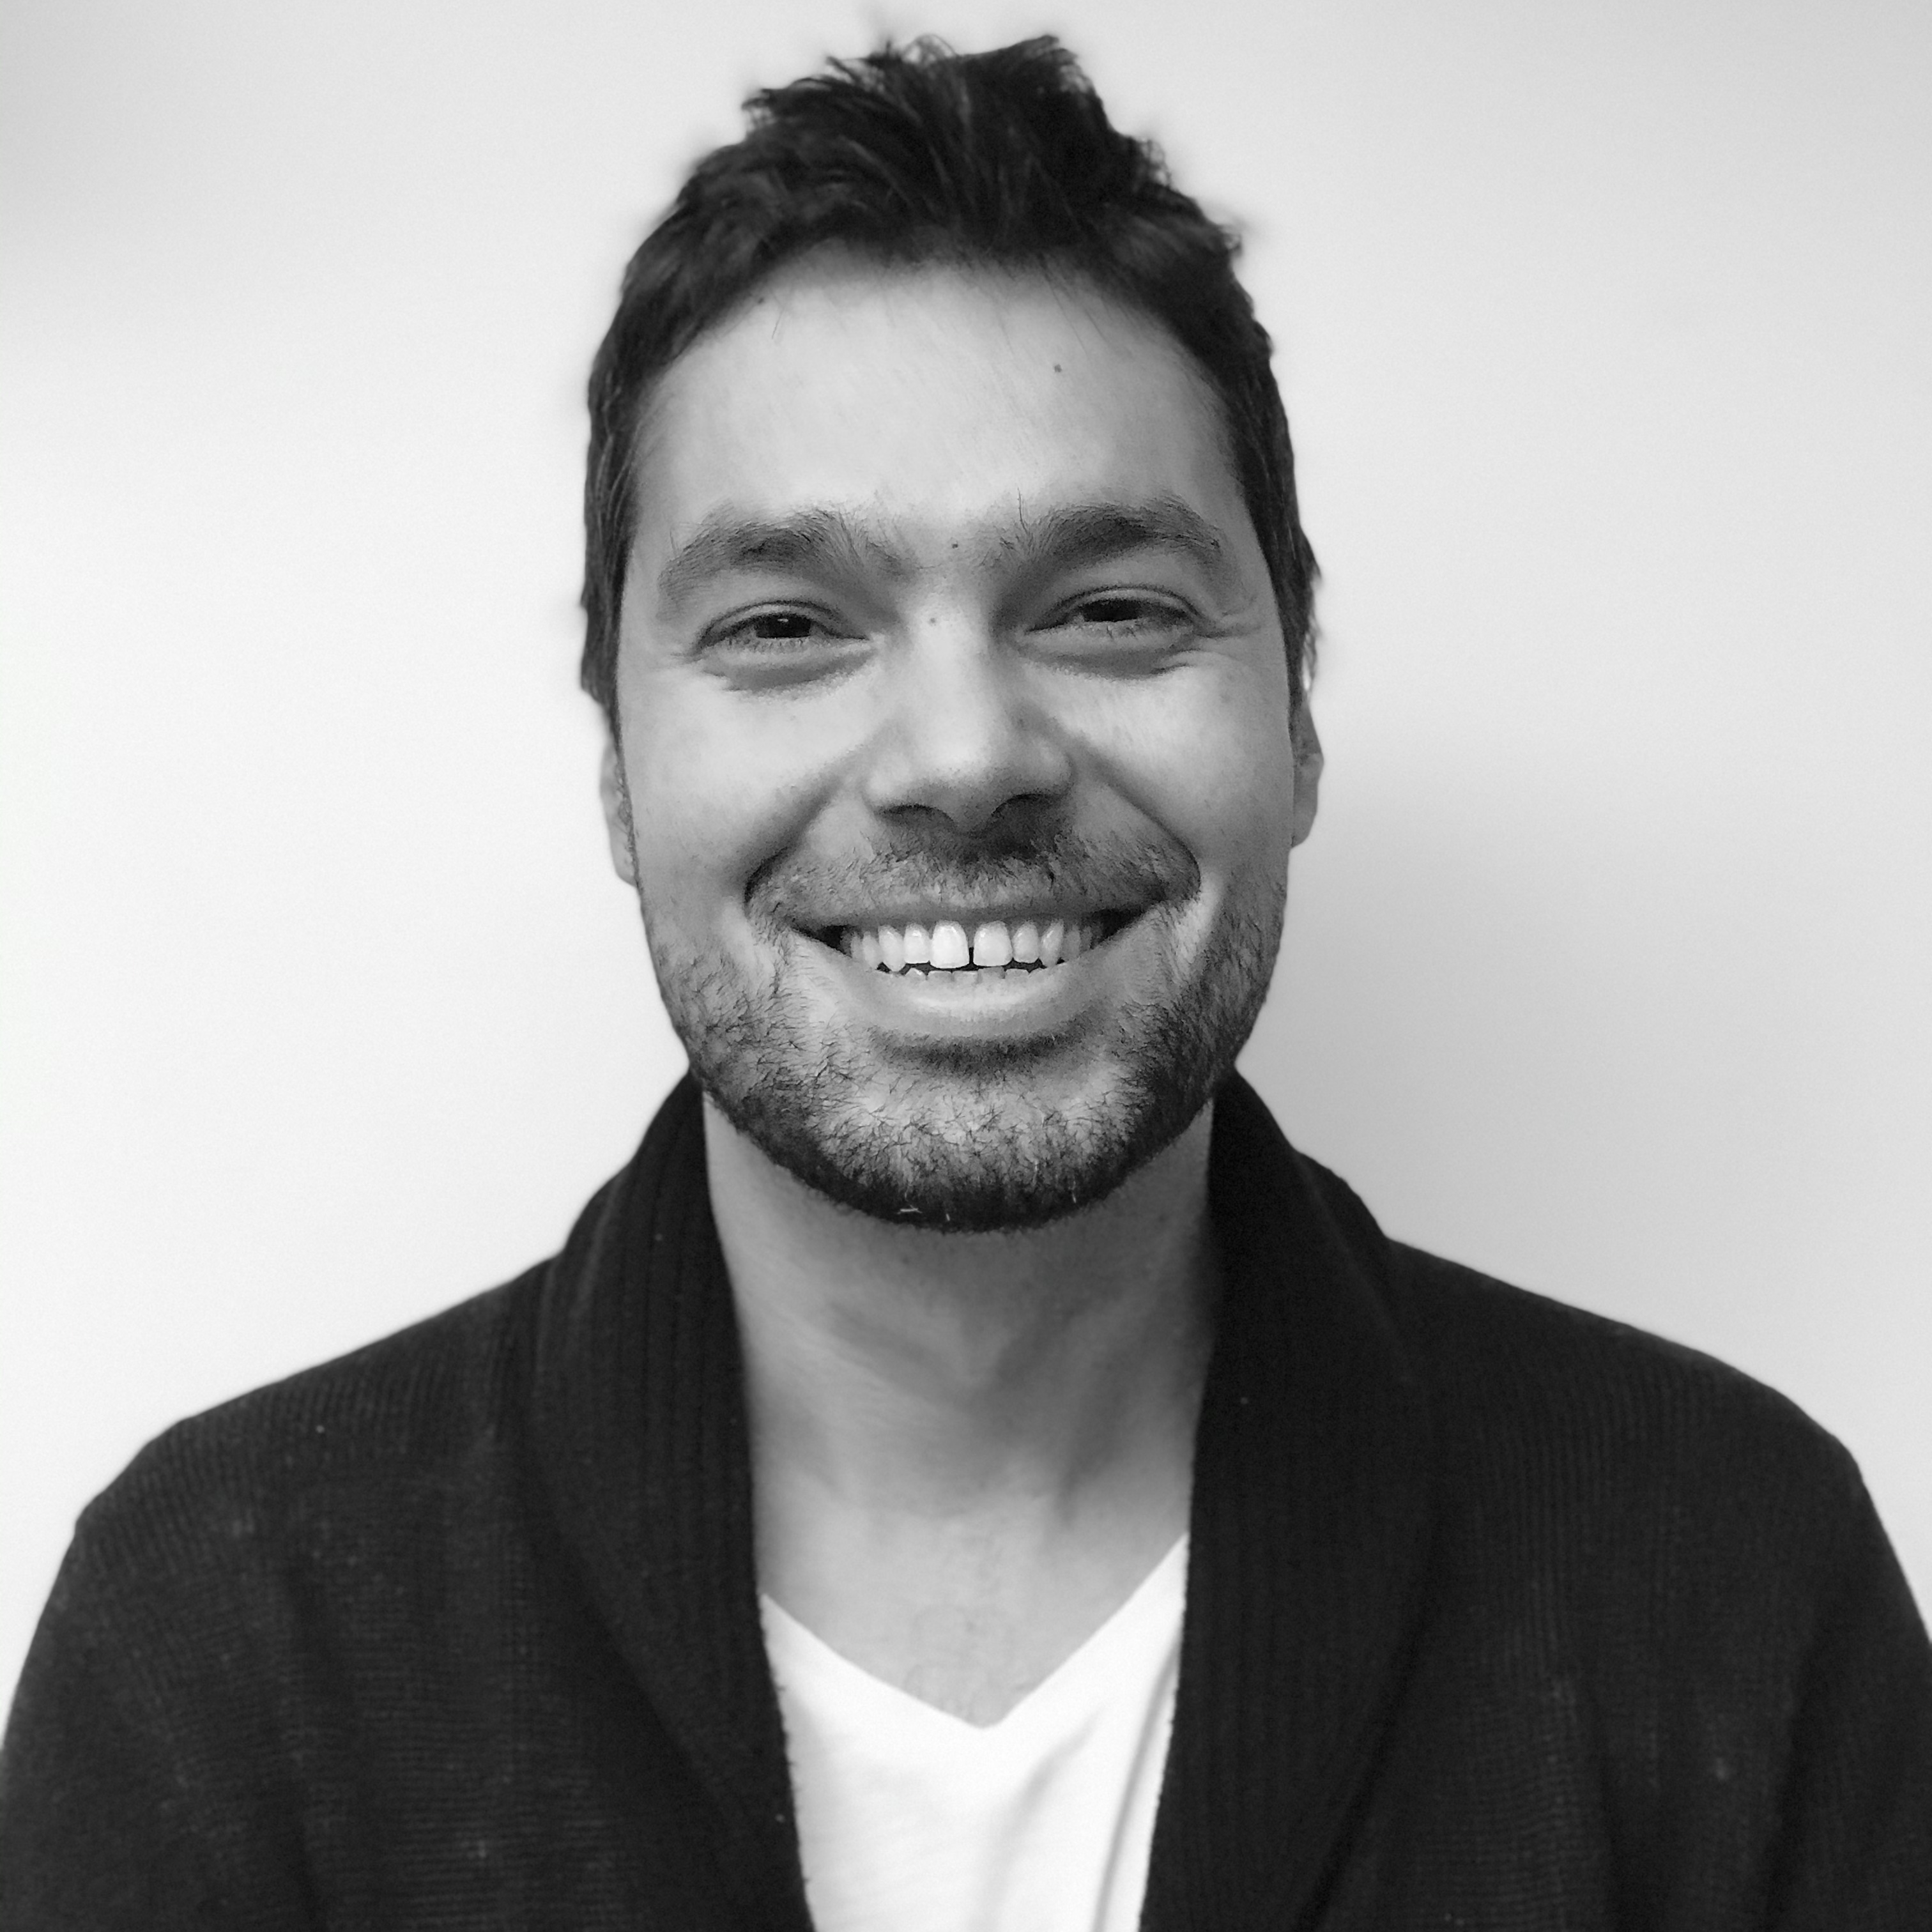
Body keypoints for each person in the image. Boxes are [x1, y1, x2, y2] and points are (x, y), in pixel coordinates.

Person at [2, 33, 1928, 1929]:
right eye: (784, 625)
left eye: (1106, 609)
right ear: (616, 770)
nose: (962, 750)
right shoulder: (229, 1634)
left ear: (1297, 720)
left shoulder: (1732, 1584)